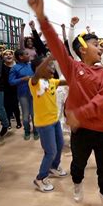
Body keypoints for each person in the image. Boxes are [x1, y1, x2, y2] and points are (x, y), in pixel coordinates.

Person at [28, 0, 103, 206]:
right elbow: (57, 46)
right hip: (81, 130)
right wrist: (42, 18)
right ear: (83, 49)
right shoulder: (73, 68)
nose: (101, 48)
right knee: (78, 165)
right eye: (96, 44)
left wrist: (81, 112)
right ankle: (77, 183)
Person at [29, 56, 68, 192]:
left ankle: (53, 167)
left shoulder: (52, 81)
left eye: (52, 65)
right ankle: (40, 177)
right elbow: (37, 73)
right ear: (38, 69)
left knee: (60, 145)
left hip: (54, 120)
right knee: (50, 151)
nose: (51, 68)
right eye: (48, 66)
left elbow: (67, 81)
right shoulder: (34, 82)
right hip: (44, 124)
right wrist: (49, 58)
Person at [9, 49, 37, 140]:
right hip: (23, 94)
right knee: (25, 115)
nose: (29, 55)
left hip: (34, 93)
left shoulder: (31, 65)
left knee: (34, 114)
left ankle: (36, 130)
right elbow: (11, 81)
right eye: (27, 54)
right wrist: (22, 79)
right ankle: (27, 130)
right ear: (21, 57)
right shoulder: (15, 68)